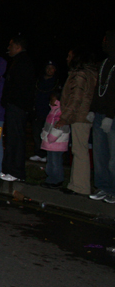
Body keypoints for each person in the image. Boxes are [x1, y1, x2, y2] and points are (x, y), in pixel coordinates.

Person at [56, 47, 96, 195]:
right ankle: (75, 184)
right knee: (79, 150)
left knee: (80, 151)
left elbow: (76, 98)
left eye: (70, 56)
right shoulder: (87, 72)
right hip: (81, 116)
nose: (67, 59)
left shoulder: (80, 74)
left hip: (80, 116)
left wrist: (65, 117)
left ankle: (81, 187)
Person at [0, 37, 35, 182]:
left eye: (11, 45)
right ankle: (8, 169)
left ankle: (16, 172)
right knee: (11, 138)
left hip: (18, 106)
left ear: (18, 46)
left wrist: (13, 101)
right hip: (13, 105)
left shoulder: (24, 62)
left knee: (16, 139)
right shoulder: (17, 61)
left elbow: (21, 87)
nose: (8, 48)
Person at [89, 30, 115, 203]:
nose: (104, 44)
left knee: (113, 157)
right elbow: (99, 88)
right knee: (100, 155)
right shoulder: (105, 62)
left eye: (107, 40)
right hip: (99, 115)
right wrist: (93, 109)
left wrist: (111, 115)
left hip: (112, 118)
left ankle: (113, 190)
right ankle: (103, 187)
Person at [30, 60, 60, 162]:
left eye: (52, 68)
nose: (49, 70)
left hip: (50, 113)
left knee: (49, 134)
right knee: (37, 133)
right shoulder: (38, 81)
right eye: (48, 68)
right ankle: (38, 153)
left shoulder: (57, 82)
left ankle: (47, 154)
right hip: (38, 111)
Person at [39, 90, 69, 189]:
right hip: (50, 143)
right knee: (51, 162)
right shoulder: (52, 111)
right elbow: (47, 126)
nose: (50, 101)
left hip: (57, 142)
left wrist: (50, 138)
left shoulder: (60, 112)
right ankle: (51, 179)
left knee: (56, 162)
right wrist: (44, 135)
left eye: (52, 99)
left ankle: (57, 180)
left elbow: (59, 127)